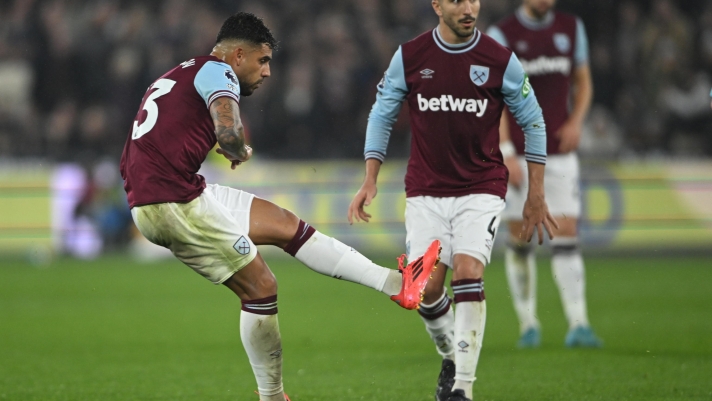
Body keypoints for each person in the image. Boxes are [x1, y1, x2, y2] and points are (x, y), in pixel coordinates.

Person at [119, 12, 440, 401]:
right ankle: (272, 397)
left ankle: (395, 284)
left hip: (173, 192)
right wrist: (238, 146)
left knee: (287, 226)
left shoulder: (178, 73)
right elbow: (229, 129)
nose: (267, 71)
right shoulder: (219, 73)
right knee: (261, 288)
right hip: (171, 201)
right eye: (263, 60)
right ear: (237, 55)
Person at [348, 1, 557, 400]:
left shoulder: (499, 60)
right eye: (458, 0)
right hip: (426, 192)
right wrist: (370, 177)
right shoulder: (411, 57)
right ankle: (450, 355)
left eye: (474, 0)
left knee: (467, 270)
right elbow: (382, 113)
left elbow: (533, 120)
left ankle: (463, 387)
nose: (469, 8)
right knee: (422, 292)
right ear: (437, 5)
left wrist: (537, 193)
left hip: (481, 187)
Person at [487, 0, 603, 348]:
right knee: (521, 236)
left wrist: (576, 122)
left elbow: (584, 82)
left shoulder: (570, 28)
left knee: (566, 231)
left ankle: (579, 323)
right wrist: (505, 152)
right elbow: (493, 98)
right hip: (519, 154)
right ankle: (528, 324)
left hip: (559, 150)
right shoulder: (502, 34)